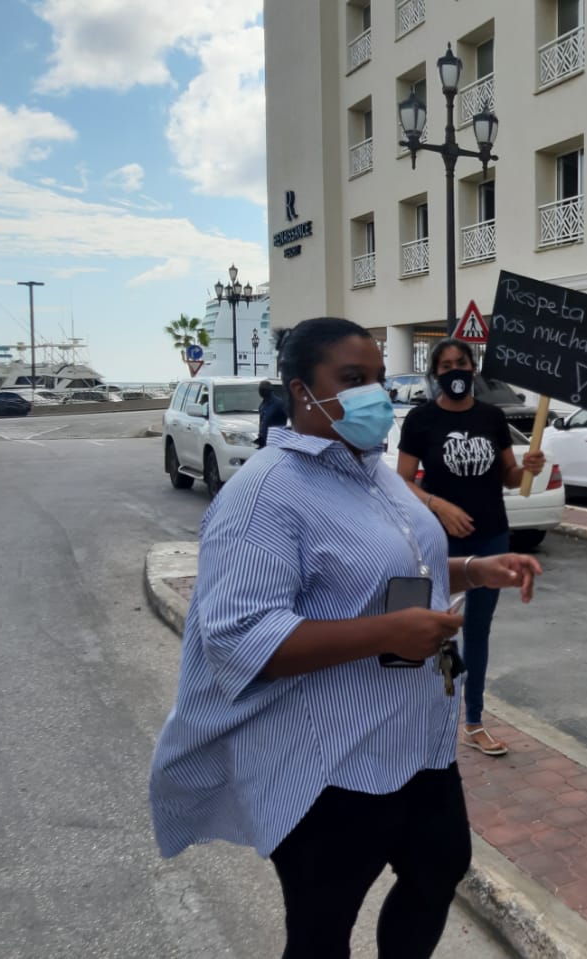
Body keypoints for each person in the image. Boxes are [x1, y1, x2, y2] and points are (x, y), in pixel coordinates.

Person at [148, 317, 542, 959]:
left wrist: (473, 568)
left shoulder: (373, 471)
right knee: (321, 930)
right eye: (352, 379)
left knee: (438, 871)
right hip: (330, 762)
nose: (374, 395)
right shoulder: (265, 495)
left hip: (419, 741)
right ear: (303, 390)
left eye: (380, 379)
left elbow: (389, 567)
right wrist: (387, 633)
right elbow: (239, 638)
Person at [396, 338, 545, 757]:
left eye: (461, 363)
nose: (454, 371)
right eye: (445, 366)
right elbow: (402, 480)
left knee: (477, 632)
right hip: (440, 539)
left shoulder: (491, 417)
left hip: (492, 535)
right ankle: (428, 716)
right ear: (434, 373)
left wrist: (527, 469)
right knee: (436, 629)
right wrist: (438, 505)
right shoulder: (421, 420)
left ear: (473, 367)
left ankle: (473, 721)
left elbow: (509, 477)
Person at [256, 379, 288, 449]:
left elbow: (287, 418)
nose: (261, 392)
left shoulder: (279, 403)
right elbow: (262, 423)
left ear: (269, 390)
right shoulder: (263, 405)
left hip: (275, 441)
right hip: (264, 442)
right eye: (260, 390)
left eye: (263, 390)